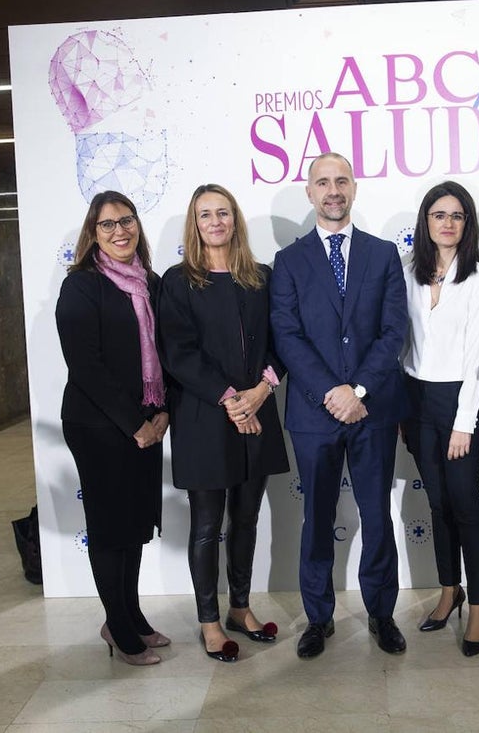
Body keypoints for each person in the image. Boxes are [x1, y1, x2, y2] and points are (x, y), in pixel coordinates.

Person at [269, 152, 409, 659]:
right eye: (322, 182)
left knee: (377, 517)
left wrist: (360, 392)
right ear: (309, 192)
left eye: (341, 181)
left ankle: (381, 613)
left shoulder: (383, 254)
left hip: (372, 412)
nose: (333, 190)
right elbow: (287, 335)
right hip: (313, 414)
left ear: (355, 188)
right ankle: (318, 619)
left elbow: (394, 330)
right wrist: (333, 392)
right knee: (316, 520)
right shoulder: (288, 261)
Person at [158, 184, 289, 663]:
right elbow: (178, 352)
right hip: (205, 418)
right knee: (208, 525)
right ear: (194, 224)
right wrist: (232, 400)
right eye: (205, 214)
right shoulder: (177, 281)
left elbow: (280, 341)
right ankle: (209, 622)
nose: (215, 221)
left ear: (235, 220)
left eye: (223, 213)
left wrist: (260, 391)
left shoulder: (261, 278)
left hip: (257, 412)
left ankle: (240, 608)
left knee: (248, 519)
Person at [56, 189, 171, 666]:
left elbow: (169, 354)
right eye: (108, 224)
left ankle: (130, 614)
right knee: (109, 528)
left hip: (148, 420)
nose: (120, 230)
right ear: (93, 233)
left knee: (135, 525)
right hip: (98, 425)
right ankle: (118, 628)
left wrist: (164, 413)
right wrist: (134, 425)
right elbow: (86, 365)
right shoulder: (82, 285)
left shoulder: (153, 283)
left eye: (127, 220)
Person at [401, 181, 479, 657]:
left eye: (456, 216)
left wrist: (464, 423)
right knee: (437, 504)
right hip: (416, 404)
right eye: (439, 214)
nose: (447, 223)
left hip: (460, 402)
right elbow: (402, 348)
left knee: (466, 504)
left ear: (467, 223)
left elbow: (477, 356)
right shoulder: (407, 274)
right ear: (426, 221)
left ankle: (478, 605)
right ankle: (448, 591)